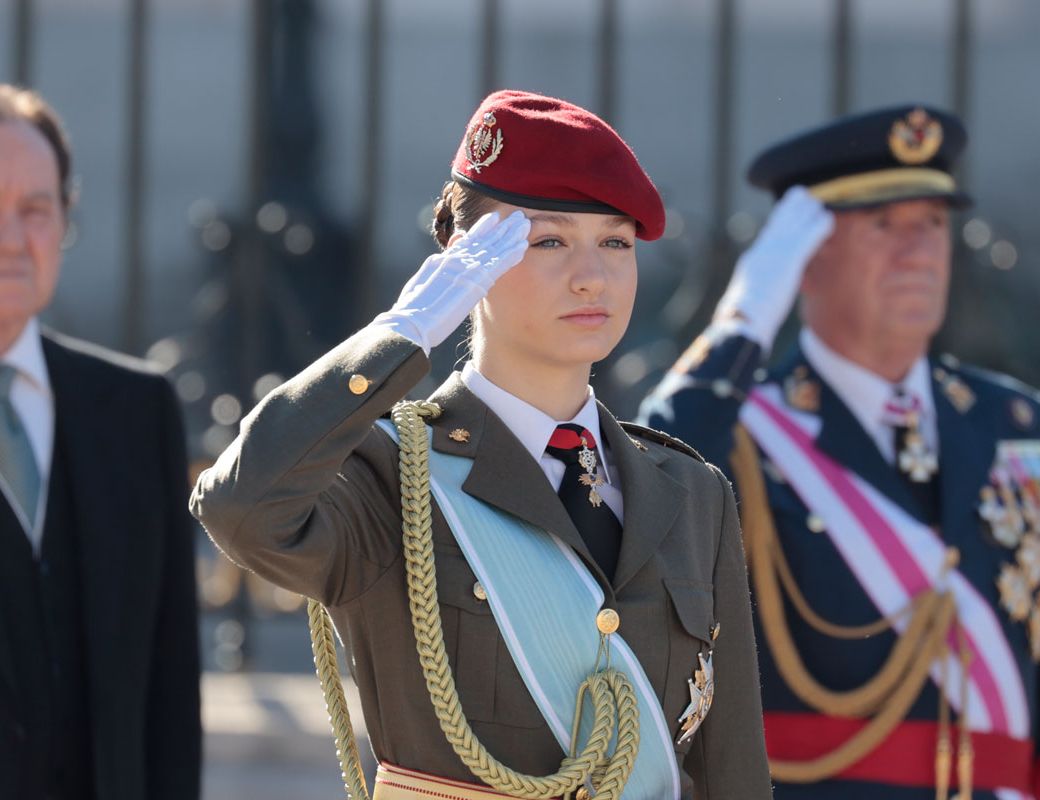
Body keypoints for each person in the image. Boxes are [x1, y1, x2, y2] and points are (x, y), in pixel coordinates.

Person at [191, 89, 771, 800]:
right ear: (467, 260)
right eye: (547, 241)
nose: (592, 275)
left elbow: (730, 767)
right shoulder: (387, 472)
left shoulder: (690, 491)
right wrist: (401, 336)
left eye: (615, 242)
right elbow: (239, 508)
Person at [639, 104, 1040, 799]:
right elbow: (651, 497)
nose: (917, 250)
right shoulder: (740, 431)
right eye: (882, 225)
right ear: (804, 260)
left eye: (932, 223)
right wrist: (741, 327)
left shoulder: (1014, 420)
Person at [0, 84, 202, 799]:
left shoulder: (136, 411)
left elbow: (171, 684)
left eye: (35, 209)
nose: (10, 238)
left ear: (63, 221)